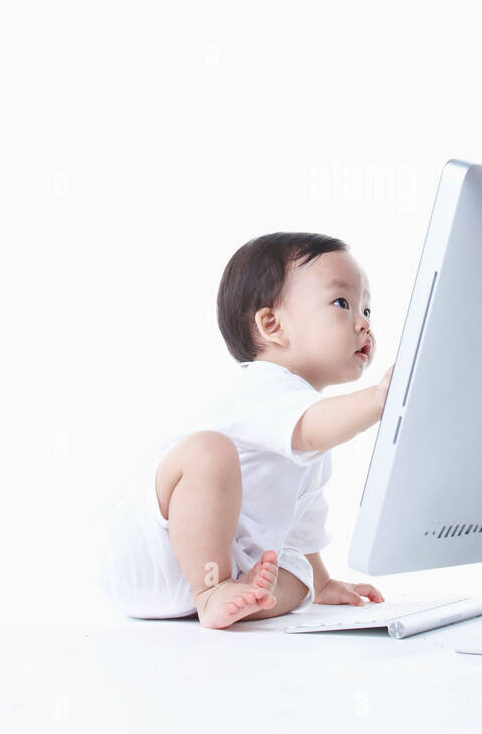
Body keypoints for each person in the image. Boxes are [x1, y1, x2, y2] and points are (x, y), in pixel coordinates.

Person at [96, 232, 393, 630]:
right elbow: (311, 429)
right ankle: (211, 593)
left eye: (368, 311)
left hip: (217, 567)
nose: (363, 324)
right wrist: (380, 398)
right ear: (272, 324)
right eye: (342, 304)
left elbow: (301, 529)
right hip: (151, 553)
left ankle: (239, 596)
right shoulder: (263, 386)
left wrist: (320, 584)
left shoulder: (311, 426)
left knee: (297, 582)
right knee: (207, 451)